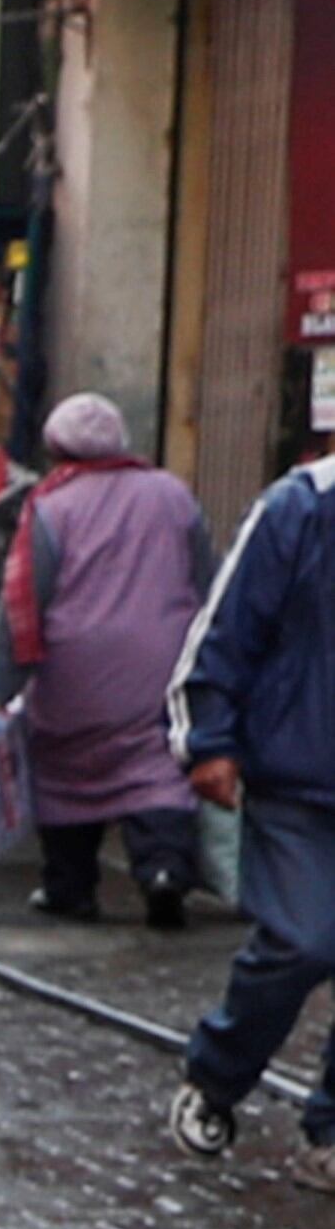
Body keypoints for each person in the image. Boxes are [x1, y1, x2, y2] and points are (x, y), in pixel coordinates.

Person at [169, 443, 335, 1185]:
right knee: (303, 940)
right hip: (301, 772)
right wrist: (208, 739)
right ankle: (216, 1074)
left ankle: (330, 1131)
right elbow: (226, 631)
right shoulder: (300, 507)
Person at [0, 394, 210, 930]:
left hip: (73, 669)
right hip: (161, 662)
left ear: (55, 448)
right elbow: (207, 578)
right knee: (157, 768)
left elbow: (20, 606)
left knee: (64, 775)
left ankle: (70, 886)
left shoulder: (50, 508)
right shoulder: (172, 494)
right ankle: (163, 872)